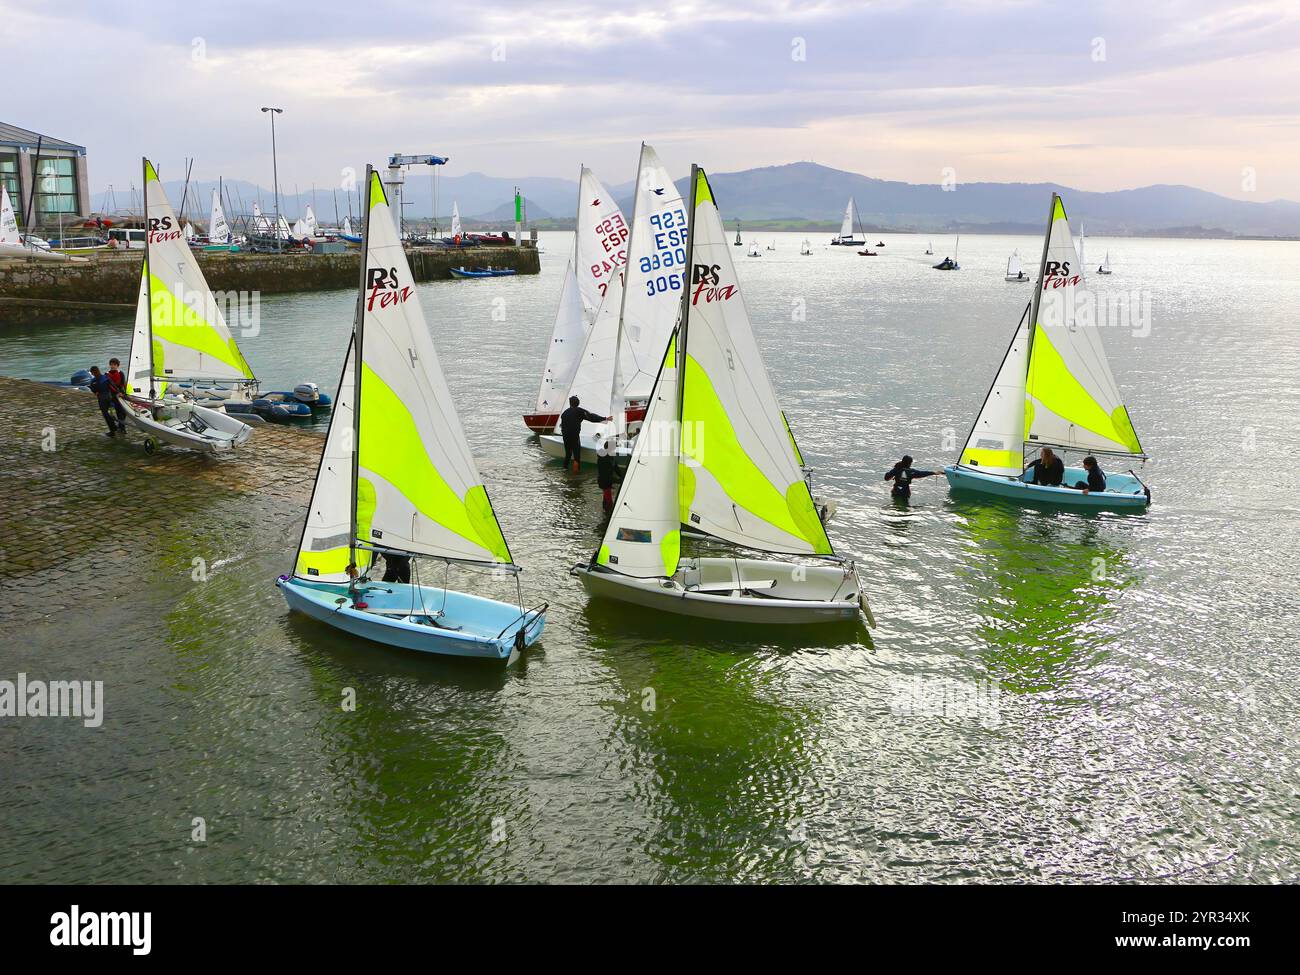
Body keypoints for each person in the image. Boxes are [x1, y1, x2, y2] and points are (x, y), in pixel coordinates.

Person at [559, 395, 611, 473]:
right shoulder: (579, 411)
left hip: (565, 437)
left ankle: (565, 470)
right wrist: (605, 418)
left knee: (568, 455)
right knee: (576, 458)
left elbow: (562, 425)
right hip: (574, 437)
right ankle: (575, 477)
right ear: (578, 403)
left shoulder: (564, 413)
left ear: (570, 403)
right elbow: (591, 417)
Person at [87, 366, 125, 436]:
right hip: (109, 397)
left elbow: (93, 390)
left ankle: (113, 430)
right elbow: (113, 386)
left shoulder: (93, 381)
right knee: (114, 413)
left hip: (102, 399)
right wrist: (118, 392)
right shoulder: (105, 377)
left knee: (106, 415)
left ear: (92, 373)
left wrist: (96, 392)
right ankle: (121, 428)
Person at [596, 439, 624, 512]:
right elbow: (606, 475)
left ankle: (605, 514)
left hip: (607, 481)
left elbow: (616, 468)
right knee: (609, 503)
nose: (615, 450)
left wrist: (622, 477)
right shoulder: (603, 459)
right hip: (605, 482)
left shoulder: (611, 457)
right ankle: (608, 517)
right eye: (614, 448)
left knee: (606, 499)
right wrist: (618, 481)